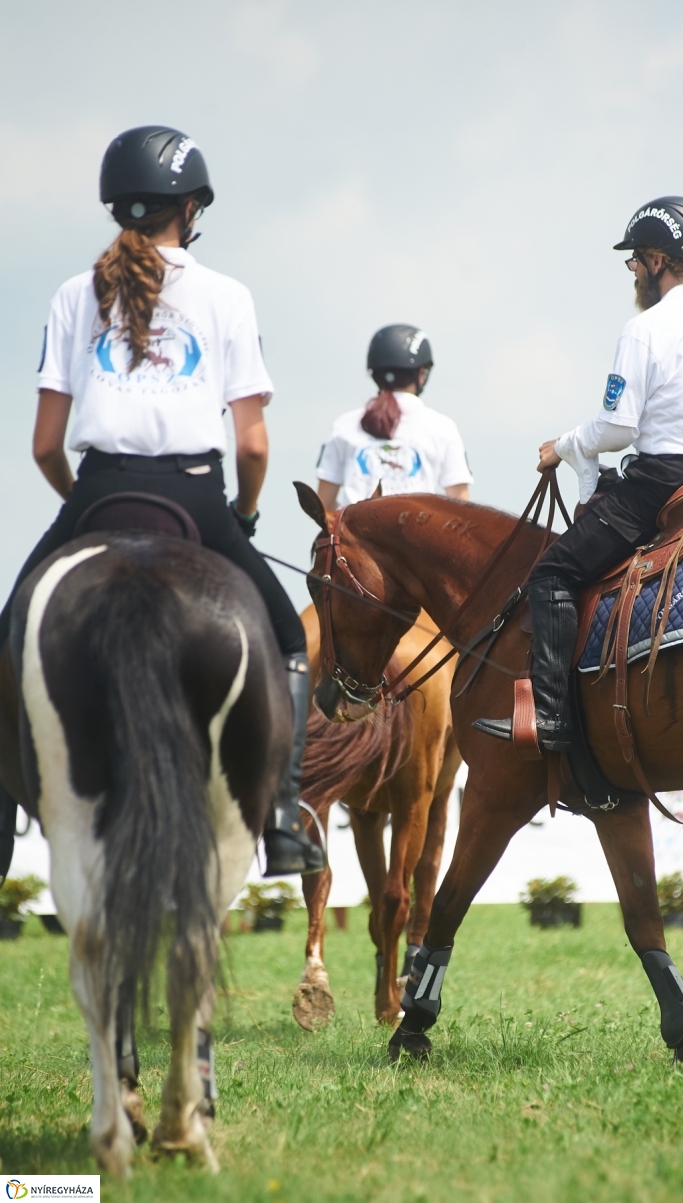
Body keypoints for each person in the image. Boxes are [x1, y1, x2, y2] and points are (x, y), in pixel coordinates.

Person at [0, 125, 323, 877]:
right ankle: (279, 818)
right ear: (192, 207)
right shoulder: (226, 295)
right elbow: (252, 445)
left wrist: (84, 504)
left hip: (101, 489)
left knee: (14, 625)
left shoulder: (72, 293)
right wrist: (239, 517)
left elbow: (45, 445)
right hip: (196, 494)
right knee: (287, 639)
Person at [475, 196, 683, 753]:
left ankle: (553, 717)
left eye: (635, 260)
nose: (633, 272)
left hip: (663, 485)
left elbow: (616, 429)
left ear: (658, 260)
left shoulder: (646, 329)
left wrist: (564, 445)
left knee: (552, 573)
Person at [315, 324, 472, 509]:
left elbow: (323, 504)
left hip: (355, 535)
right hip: (416, 536)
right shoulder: (443, 427)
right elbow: (461, 505)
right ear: (421, 375)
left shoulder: (344, 425)